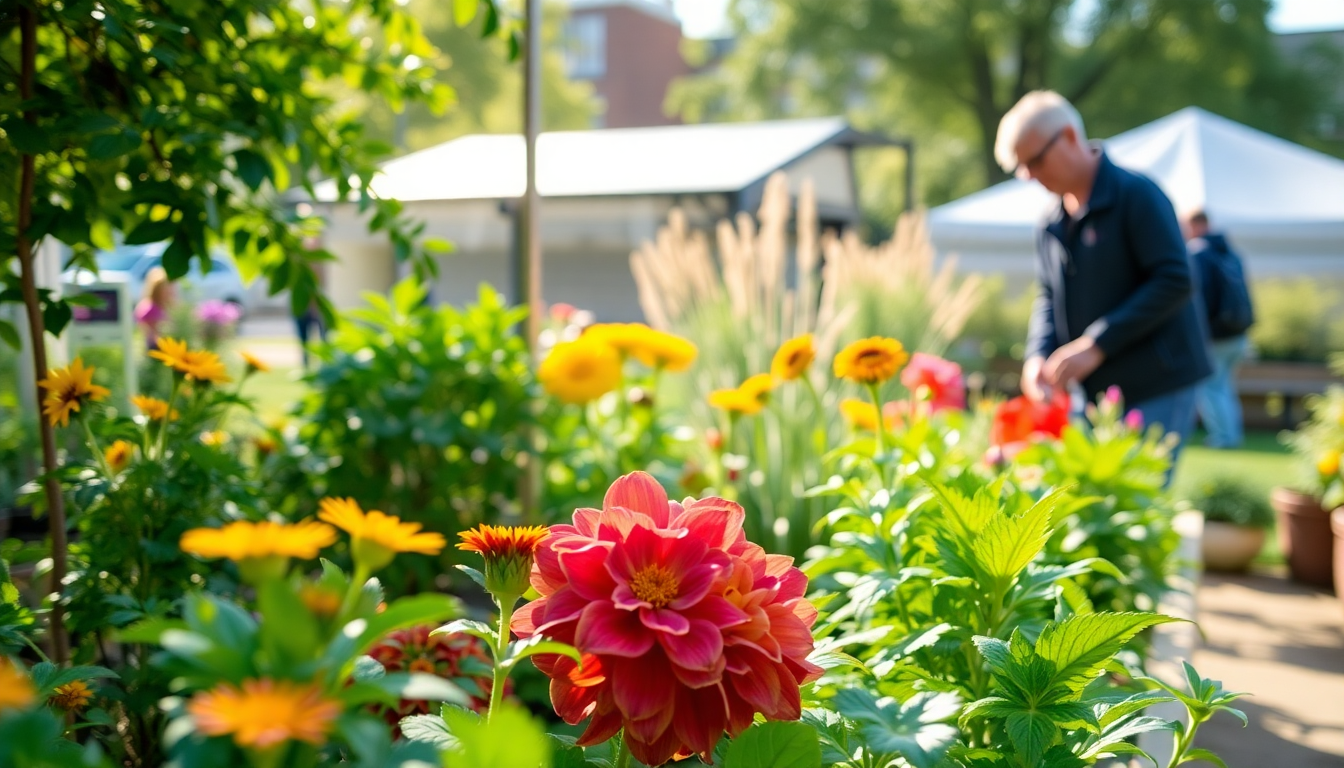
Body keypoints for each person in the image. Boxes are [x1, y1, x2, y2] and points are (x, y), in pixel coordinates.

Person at [996, 91, 1212, 455]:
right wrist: (1037, 355)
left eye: (1035, 160)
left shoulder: (1137, 194)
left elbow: (1175, 278)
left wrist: (1096, 344)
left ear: (1069, 136)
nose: (1029, 176)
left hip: (1157, 383)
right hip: (1095, 392)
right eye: (1021, 168)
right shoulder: (1050, 222)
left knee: (1132, 492)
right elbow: (1048, 295)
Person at [1185, 211, 1253, 449]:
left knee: (1211, 387)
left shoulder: (1198, 252)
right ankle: (1232, 434)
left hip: (1216, 334)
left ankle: (1223, 438)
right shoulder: (1230, 252)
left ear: (1194, 225)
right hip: (1238, 333)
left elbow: (1199, 298)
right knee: (1224, 386)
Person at [134, 266, 175, 349]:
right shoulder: (149, 308)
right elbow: (150, 333)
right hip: (155, 346)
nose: (169, 292)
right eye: (165, 289)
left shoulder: (163, 306)